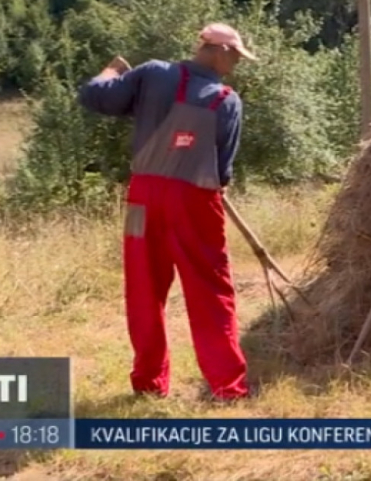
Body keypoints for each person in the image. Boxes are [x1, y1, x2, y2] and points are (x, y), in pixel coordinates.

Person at [77, 23, 257, 401]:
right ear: (218, 51)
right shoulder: (226, 100)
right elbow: (223, 171)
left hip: (141, 196)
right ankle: (228, 387)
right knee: (210, 291)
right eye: (236, 56)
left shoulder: (152, 74)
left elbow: (95, 96)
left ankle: (149, 382)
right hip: (194, 200)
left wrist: (111, 72)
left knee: (143, 287)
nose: (237, 64)